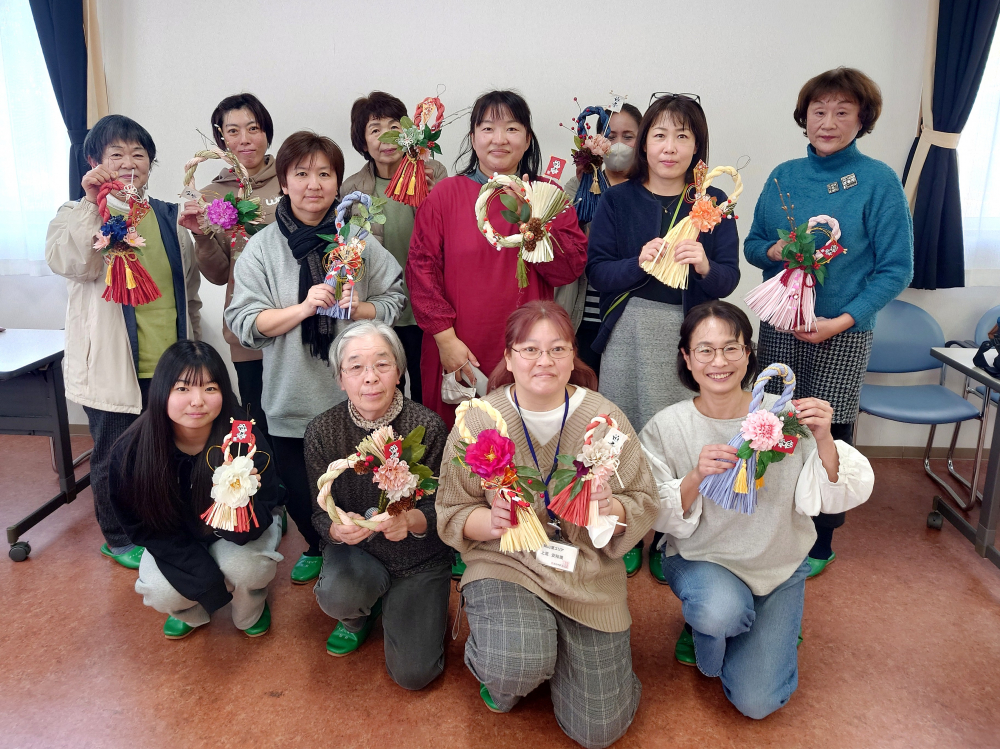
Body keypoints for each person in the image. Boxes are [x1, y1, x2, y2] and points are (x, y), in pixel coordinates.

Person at [436, 301, 658, 749]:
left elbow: (644, 502)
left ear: (574, 355)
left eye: (558, 349)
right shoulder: (479, 420)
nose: (544, 361)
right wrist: (491, 521)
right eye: (530, 349)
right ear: (509, 356)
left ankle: (563, 660)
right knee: (516, 662)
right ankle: (507, 664)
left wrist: (609, 507)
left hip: (586, 569)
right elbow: (451, 508)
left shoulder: (605, 420)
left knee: (598, 731)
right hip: (508, 563)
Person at [639, 300, 874, 719]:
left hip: (778, 564)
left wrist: (823, 440)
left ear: (749, 354)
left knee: (758, 702)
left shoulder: (784, 419)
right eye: (705, 350)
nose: (719, 361)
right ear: (687, 359)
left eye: (732, 348)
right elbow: (651, 510)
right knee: (719, 612)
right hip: (702, 560)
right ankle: (708, 625)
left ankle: (768, 622)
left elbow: (830, 496)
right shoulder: (666, 426)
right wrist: (695, 476)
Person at [744, 67, 912, 577]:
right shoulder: (782, 176)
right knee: (771, 423)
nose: (829, 122)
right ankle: (770, 518)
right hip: (780, 326)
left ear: (862, 120)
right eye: (819, 111)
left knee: (829, 431)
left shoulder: (878, 181)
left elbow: (896, 268)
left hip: (841, 333)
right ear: (804, 117)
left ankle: (821, 537)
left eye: (842, 111)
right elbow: (753, 246)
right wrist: (775, 249)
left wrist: (841, 320)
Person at [226, 131, 406, 585]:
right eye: (301, 173)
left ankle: (365, 564)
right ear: (283, 182)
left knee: (363, 488)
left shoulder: (357, 241)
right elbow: (244, 321)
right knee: (306, 497)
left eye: (324, 174)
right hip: (292, 399)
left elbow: (394, 298)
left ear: (337, 183)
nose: (314, 184)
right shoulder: (262, 247)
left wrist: (358, 308)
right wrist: (304, 308)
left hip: (360, 402)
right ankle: (317, 545)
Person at [587, 94, 740, 579]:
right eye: (659, 135)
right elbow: (598, 273)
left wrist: (705, 265)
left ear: (697, 146)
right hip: (629, 332)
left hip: (690, 341)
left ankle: (676, 535)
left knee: (682, 439)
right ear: (642, 144)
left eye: (682, 136)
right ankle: (628, 528)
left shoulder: (712, 202)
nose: (669, 147)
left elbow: (728, 280)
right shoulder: (617, 199)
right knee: (625, 435)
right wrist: (638, 262)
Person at [45, 114, 202, 570]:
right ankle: (116, 537)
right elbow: (71, 262)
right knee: (115, 458)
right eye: (117, 154)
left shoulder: (170, 217)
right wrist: (98, 204)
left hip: (170, 362)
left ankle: (168, 523)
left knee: (173, 452)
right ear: (95, 161)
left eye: (139, 154)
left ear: (152, 163)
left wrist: (193, 352)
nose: (130, 162)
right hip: (113, 363)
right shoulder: (73, 215)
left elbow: (188, 291)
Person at [407, 90, 588, 427]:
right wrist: (445, 340)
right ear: (473, 137)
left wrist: (531, 219)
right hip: (457, 347)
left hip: (530, 350)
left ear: (527, 138)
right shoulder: (446, 194)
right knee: (461, 450)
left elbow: (569, 268)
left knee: (524, 447)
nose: (499, 139)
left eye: (512, 128)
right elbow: (421, 270)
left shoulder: (546, 195)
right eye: (488, 128)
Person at [305, 322, 451, 689]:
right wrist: (336, 528)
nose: (369, 378)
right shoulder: (322, 431)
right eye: (355, 367)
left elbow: (446, 507)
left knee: (415, 676)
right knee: (340, 595)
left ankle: (413, 605)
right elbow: (319, 511)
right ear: (340, 378)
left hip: (418, 557)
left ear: (399, 372)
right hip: (359, 553)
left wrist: (414, 520)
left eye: (382, 365)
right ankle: (359, 614)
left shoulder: (428, 427)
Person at [108, 340, 283, 639]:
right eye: (183, 388)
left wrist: (240, 506)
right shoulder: (133, 450)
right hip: (174, 538)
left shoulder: (243, 438)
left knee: (246, 570)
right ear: (162, 391)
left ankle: (250, 607)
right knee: (162, 591)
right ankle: (189, 612)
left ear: (224, 391)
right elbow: (139, 526)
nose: (197, 400)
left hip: (233, 536)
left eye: (210, 388)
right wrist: (205, 582)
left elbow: (272, 500)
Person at [180, 93, 281, 441]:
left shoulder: (292, 178)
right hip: (247, 325)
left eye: (253, 128)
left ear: (267, 132)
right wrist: (203, 238)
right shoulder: (209, 195)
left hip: (300, 318)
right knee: (258, 419)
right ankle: (267, 492)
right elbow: (219, 274)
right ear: (221, 138)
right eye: (233, 131)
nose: (244, 139)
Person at [342, 92, 449, 405]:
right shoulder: (351, 189)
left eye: (394, 126)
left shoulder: (434, 173)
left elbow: (450, 235)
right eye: (375, 129)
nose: (386, 136)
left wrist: (433, 195)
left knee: (430, 395)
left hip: (427, 310)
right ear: (362, 141)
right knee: (387, 397)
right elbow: (345, 251)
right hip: (380, 313)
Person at [557, 102, 644, 375]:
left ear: (642, 140)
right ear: (595, 141)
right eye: (610, 136)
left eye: (628, 136)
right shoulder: (577, 186)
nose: (618, 144)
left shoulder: (651, 190)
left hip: (629, 316)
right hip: (583, 314)